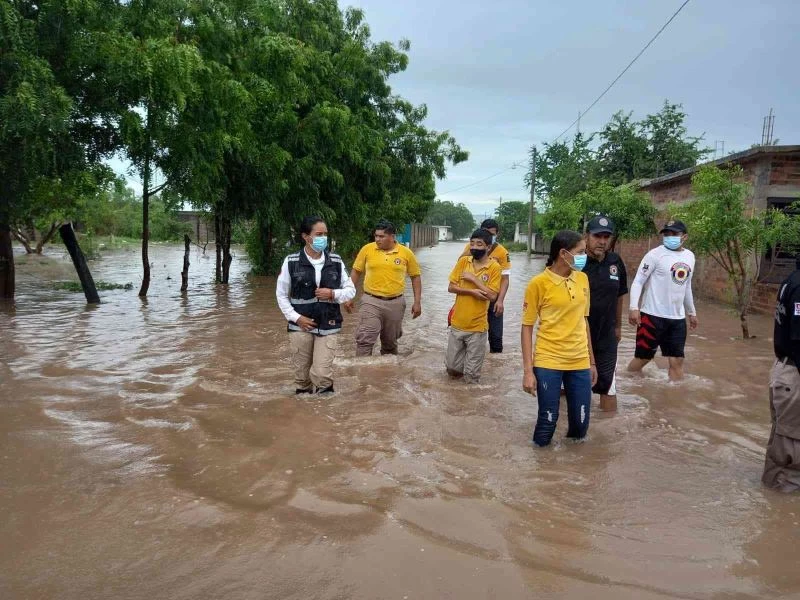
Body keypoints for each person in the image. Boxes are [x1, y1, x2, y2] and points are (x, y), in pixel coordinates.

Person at [522, 230, 598, 447]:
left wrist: (591, 361)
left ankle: (573, 474)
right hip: (548, 360)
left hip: (579, 360)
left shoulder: (582, 279)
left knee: (581, 424)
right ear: (564, 254)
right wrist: (528, 371)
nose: (585, 256)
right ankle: (540, 471)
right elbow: (527, 327)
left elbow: (584, 322)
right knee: (548, 420)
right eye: (581, 251)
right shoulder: (538, 284)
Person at [276, 216, 356, 394]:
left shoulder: (335, 261)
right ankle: (304, 415)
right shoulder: (291, 261)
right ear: (306, 236)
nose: (323, 238)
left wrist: (333, 293)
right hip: (300, 326)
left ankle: (325, 416)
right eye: (319, 234)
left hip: (329, 325)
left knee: (322, 375)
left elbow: (351, 290)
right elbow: (281, 295)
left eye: (325, 234)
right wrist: (297, 318)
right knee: (302, 378)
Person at [627, 219, 698, 381]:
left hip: (677, 319)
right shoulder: (654, 255)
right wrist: (633, 307)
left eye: (674, 234)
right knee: (643, 358)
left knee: (677, 360)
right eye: (666, 234)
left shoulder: (690, 257)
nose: (669, 237)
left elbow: (686, 286)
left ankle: (675, 399)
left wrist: (691, 312)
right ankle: (626, 379)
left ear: (684, 237)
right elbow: (638, 281)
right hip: (651, 316)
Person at [348, 220, 422, 356]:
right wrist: (348, 295)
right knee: (365, 339)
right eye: (376, 236)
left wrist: (417, 302)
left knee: (390, 344)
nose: (377, 239)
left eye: (381, 236)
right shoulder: (367, 249)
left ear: (392, 236)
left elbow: (415, 277)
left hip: (395, 302)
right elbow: (356, 272)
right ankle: (362, 373)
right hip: (371, 300)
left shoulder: (406, 253)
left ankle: (387, 374)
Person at [762, 255, 800, 492]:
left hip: (787, 371)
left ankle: (772, 501)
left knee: (783, 442)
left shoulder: (792, 280)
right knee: (791, 448)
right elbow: (799, 341)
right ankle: (779, 514)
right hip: (794, 375)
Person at [583, 216, 628, 411]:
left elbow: (619, 295)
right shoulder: (576, 263)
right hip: (577, 335)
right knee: (569, 387)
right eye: (597, 236)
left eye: (606, 236)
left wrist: (618, 326)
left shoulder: (615, 261)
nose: (602, 241)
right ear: (587, 237)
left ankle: (608, 435)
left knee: (608, 385)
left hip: (606, 334)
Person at [446, 228, 502, 383]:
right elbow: (451, 287)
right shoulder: (463, 262)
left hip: (477, 328)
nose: (474, 247)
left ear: (488, 247)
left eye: (479, 244)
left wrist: (474, 280)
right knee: (452, 369)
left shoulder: (494, 268)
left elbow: (492, 296)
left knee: (471, 376)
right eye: (472, 244)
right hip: (457, 324)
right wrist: (471, 292)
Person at [460, 218, 511, 353]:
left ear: (497, 235)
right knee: (468, 334)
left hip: (493, 297)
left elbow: (505, 279)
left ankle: (495, 364)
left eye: (492, 234)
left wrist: (500, 301)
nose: (488, 236)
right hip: (474, 297)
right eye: (485, 233)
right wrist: (472, 251)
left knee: (496, 337)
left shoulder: (502, 252)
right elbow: (461, 267)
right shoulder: (472, 247)